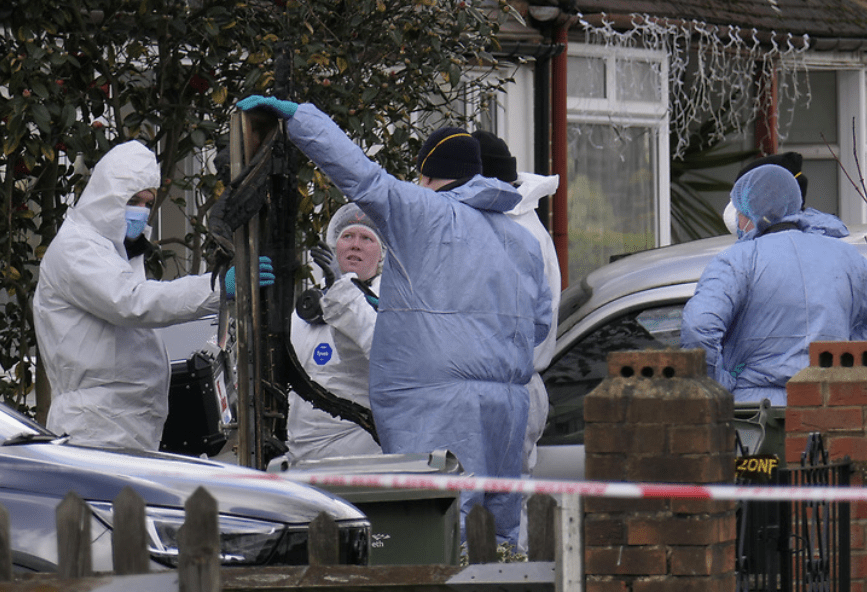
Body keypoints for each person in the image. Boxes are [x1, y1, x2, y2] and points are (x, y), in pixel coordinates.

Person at [236, 95, 553, 545]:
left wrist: (301, 118)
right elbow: (538, 325)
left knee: (438, 530)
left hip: (437, 404)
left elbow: (360, 176)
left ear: (426, 174)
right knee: (498, 533)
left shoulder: (421, 211)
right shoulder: (521, 239)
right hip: (508, 407)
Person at [33, 140, 274, 450]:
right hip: (95, 427)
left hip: (122, 423)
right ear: (106, 195)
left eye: (148, 202)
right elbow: (132, 302)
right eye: (133, 200)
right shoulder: (77, 248)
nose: (142, 211)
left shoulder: (114, 251)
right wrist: (217, 286)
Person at [681, 164, 867, 405]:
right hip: (828, 405)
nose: (738, 222)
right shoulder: (843, 256)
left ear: (749, 212)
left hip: (755, 412)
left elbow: (698, 327)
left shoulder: (737, 260)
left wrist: (718, 385)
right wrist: (843, 351)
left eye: (739, 212)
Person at [472, 131, 561, 476]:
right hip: (510, 389)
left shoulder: (513, 234)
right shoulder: (519, 224)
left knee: (492, 503)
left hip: (504, 391)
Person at [286, 203, 384, 462]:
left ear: (382, 254)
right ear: (333, 246)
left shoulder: (388, 306)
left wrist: (341, 288)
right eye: (347, 236)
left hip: (356, 456)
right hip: (298, 456)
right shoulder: (305, 309)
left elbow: (380, 349)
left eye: (367, 238)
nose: (355, 245)